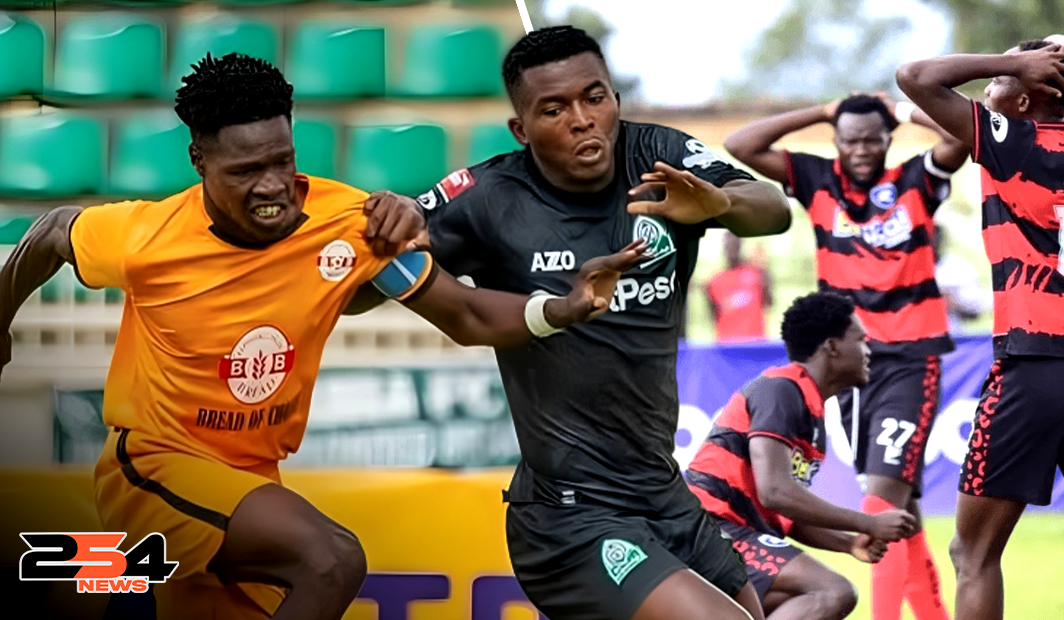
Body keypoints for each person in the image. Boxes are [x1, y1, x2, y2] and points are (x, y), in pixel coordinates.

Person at [0, 53, 644, 620]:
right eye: (247, 171)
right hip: (156, 466)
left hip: (253, 478)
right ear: (199, 160)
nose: (274, 186)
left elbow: (468, 316)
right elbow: (53, 231)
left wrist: (559, 307)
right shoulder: (144, 237)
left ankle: (74, 578)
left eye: (283, 160)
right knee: (330, 561)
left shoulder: (352, 223)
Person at [357, 25, 794, 620]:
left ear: (615, 98)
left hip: (661, 492)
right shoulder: (489, 196)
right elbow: (362, 290)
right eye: (554, 109)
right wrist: (389, 226)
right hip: (569, 513)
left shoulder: (656, 156)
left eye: (595, 97)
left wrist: (721, 204)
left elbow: (773, 211)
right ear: (522, 129)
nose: (583, 119)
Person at [897, 36, 1064, 620]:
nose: (989, 89)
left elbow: (914, 75)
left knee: (972, 553)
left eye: (1001, 83)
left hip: (1035, 367)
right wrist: (1051, 58)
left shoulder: (1013, 143)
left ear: (1026, 102)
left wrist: (1013, 62)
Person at [724, 91, 971, 620]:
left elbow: (961, 135)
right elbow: (740, 144)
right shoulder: (818, 180)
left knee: (880, 505)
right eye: (850, 139)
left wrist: (902, 110)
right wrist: (820, 111)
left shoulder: (915, 180)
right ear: (837, 141)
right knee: (903, 512)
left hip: (908, 357)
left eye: (872, 139)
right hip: (846, 366)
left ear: (888, 140)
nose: (861, 149)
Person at [686, 291, 918, 619]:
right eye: (861, 340)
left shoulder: (808, 407)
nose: (868, 350)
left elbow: (785, 515)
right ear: (832, 346)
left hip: (734, 532)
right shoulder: (781, 391)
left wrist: (849, 543)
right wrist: (868, 522)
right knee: (831, 591)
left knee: (792, 602)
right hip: (710, 527)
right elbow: (776, 492)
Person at [705, 233, 773, 342]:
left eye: (735, 244)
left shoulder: (758, 274)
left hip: (755, 344)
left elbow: (768, 304)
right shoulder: (714, 280)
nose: (732, 249)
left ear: (741, 246)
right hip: (727, 346)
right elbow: (712, 315)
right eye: (728, 245)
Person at [932, 224, 990, 334]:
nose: (932, 240)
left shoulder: (958, 268)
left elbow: (976, 312)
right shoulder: (903, 268)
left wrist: (952, 301)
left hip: (953, 339)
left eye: (934, 235)